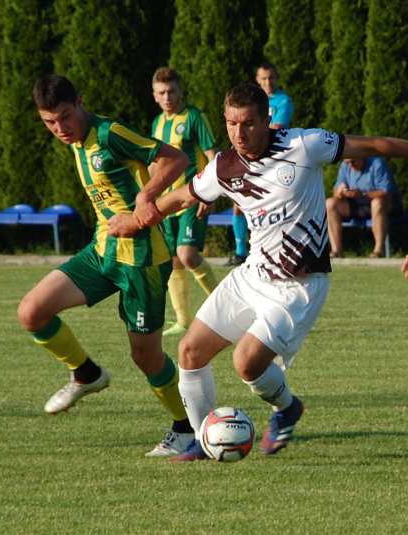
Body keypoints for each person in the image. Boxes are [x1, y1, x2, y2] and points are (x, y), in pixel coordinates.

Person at [109, 81, 408, 461]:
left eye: (249, 123)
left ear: (267, 120)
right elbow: (184, 195)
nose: (239, 133)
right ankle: (204, 443)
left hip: (298, 286)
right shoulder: (224, 167)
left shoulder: (305, 145)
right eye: (232, 124)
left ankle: (287, 408)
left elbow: (377, 145)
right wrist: (137, 221)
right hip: (252, 276)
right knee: (189, 351)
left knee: (246, 361)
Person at [19, 74, 195, 457]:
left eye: (65, 116)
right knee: (32, 312)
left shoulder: (110, 132)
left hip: (143, 260)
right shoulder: (77, 143)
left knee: (145, 357)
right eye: (50, 122)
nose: (60, 128)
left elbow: (175, 158)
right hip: (103, 252)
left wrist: (146, 197)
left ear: (80, 102)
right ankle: (86, 373)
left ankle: (187, 429)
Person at [150, 67, 219, 337]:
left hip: (192, 197)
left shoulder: (194, 117)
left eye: (172, 91)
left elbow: (213, 156)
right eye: (162, 93)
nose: (167, 97)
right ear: (154, 96)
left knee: (187, 254)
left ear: (180, 91)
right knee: (173, 261)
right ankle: (183, 320)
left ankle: (224, 305)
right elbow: (156, 165)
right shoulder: (157, 124)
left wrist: (210, 192)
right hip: (167, 204)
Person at [227, 62, 295, 266]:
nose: (268, 82)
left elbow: (275, 127)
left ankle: (281, 249)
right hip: (252, 157)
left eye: (271, 77)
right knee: (239, 203)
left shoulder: (283, 100)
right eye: (263, 78)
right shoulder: (253, 102)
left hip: (275, 160)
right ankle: (241, 251)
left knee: (275, 205)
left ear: (277, 78)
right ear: (257, 80)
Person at [326, 157, 401, 258]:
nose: (350, 165)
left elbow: (386, 192)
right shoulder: (345, 166)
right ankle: (336, 251)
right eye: (347, 163)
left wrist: (362, 194)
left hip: (382, 206)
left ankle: (378, 250)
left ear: (361, 155)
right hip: (356, 206)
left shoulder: (377, 163)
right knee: (330, 203)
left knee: (377, 203)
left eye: (353, 161)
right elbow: (336, 191)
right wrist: (340, 193)